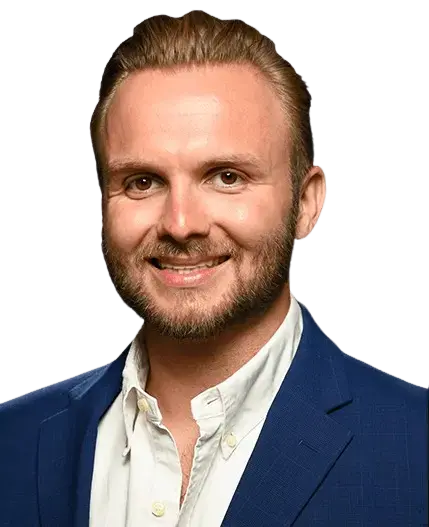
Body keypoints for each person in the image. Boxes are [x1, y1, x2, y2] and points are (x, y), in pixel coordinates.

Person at [1, 10, 427, 527]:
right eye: (142, 182)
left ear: (307, 203)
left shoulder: (415, 448)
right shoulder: (11, 443)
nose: (181, 224)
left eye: (227, 177)